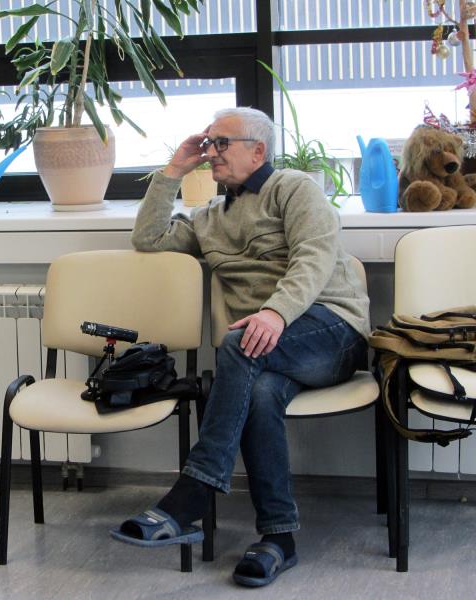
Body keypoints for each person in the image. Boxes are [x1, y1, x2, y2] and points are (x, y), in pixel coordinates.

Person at [111, 107, 371, 587]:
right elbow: (147, 238)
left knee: (237, 344)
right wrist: (174, 170)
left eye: (222, 143)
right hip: (263, 348)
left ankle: (195, 490)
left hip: (332, 331)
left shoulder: (294, 188)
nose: (211, 152)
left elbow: (314, 257)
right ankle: (279, 538)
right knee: (262, 394)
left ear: (258, 150)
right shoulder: (208, 218)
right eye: (208, 143)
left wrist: (275, 312)